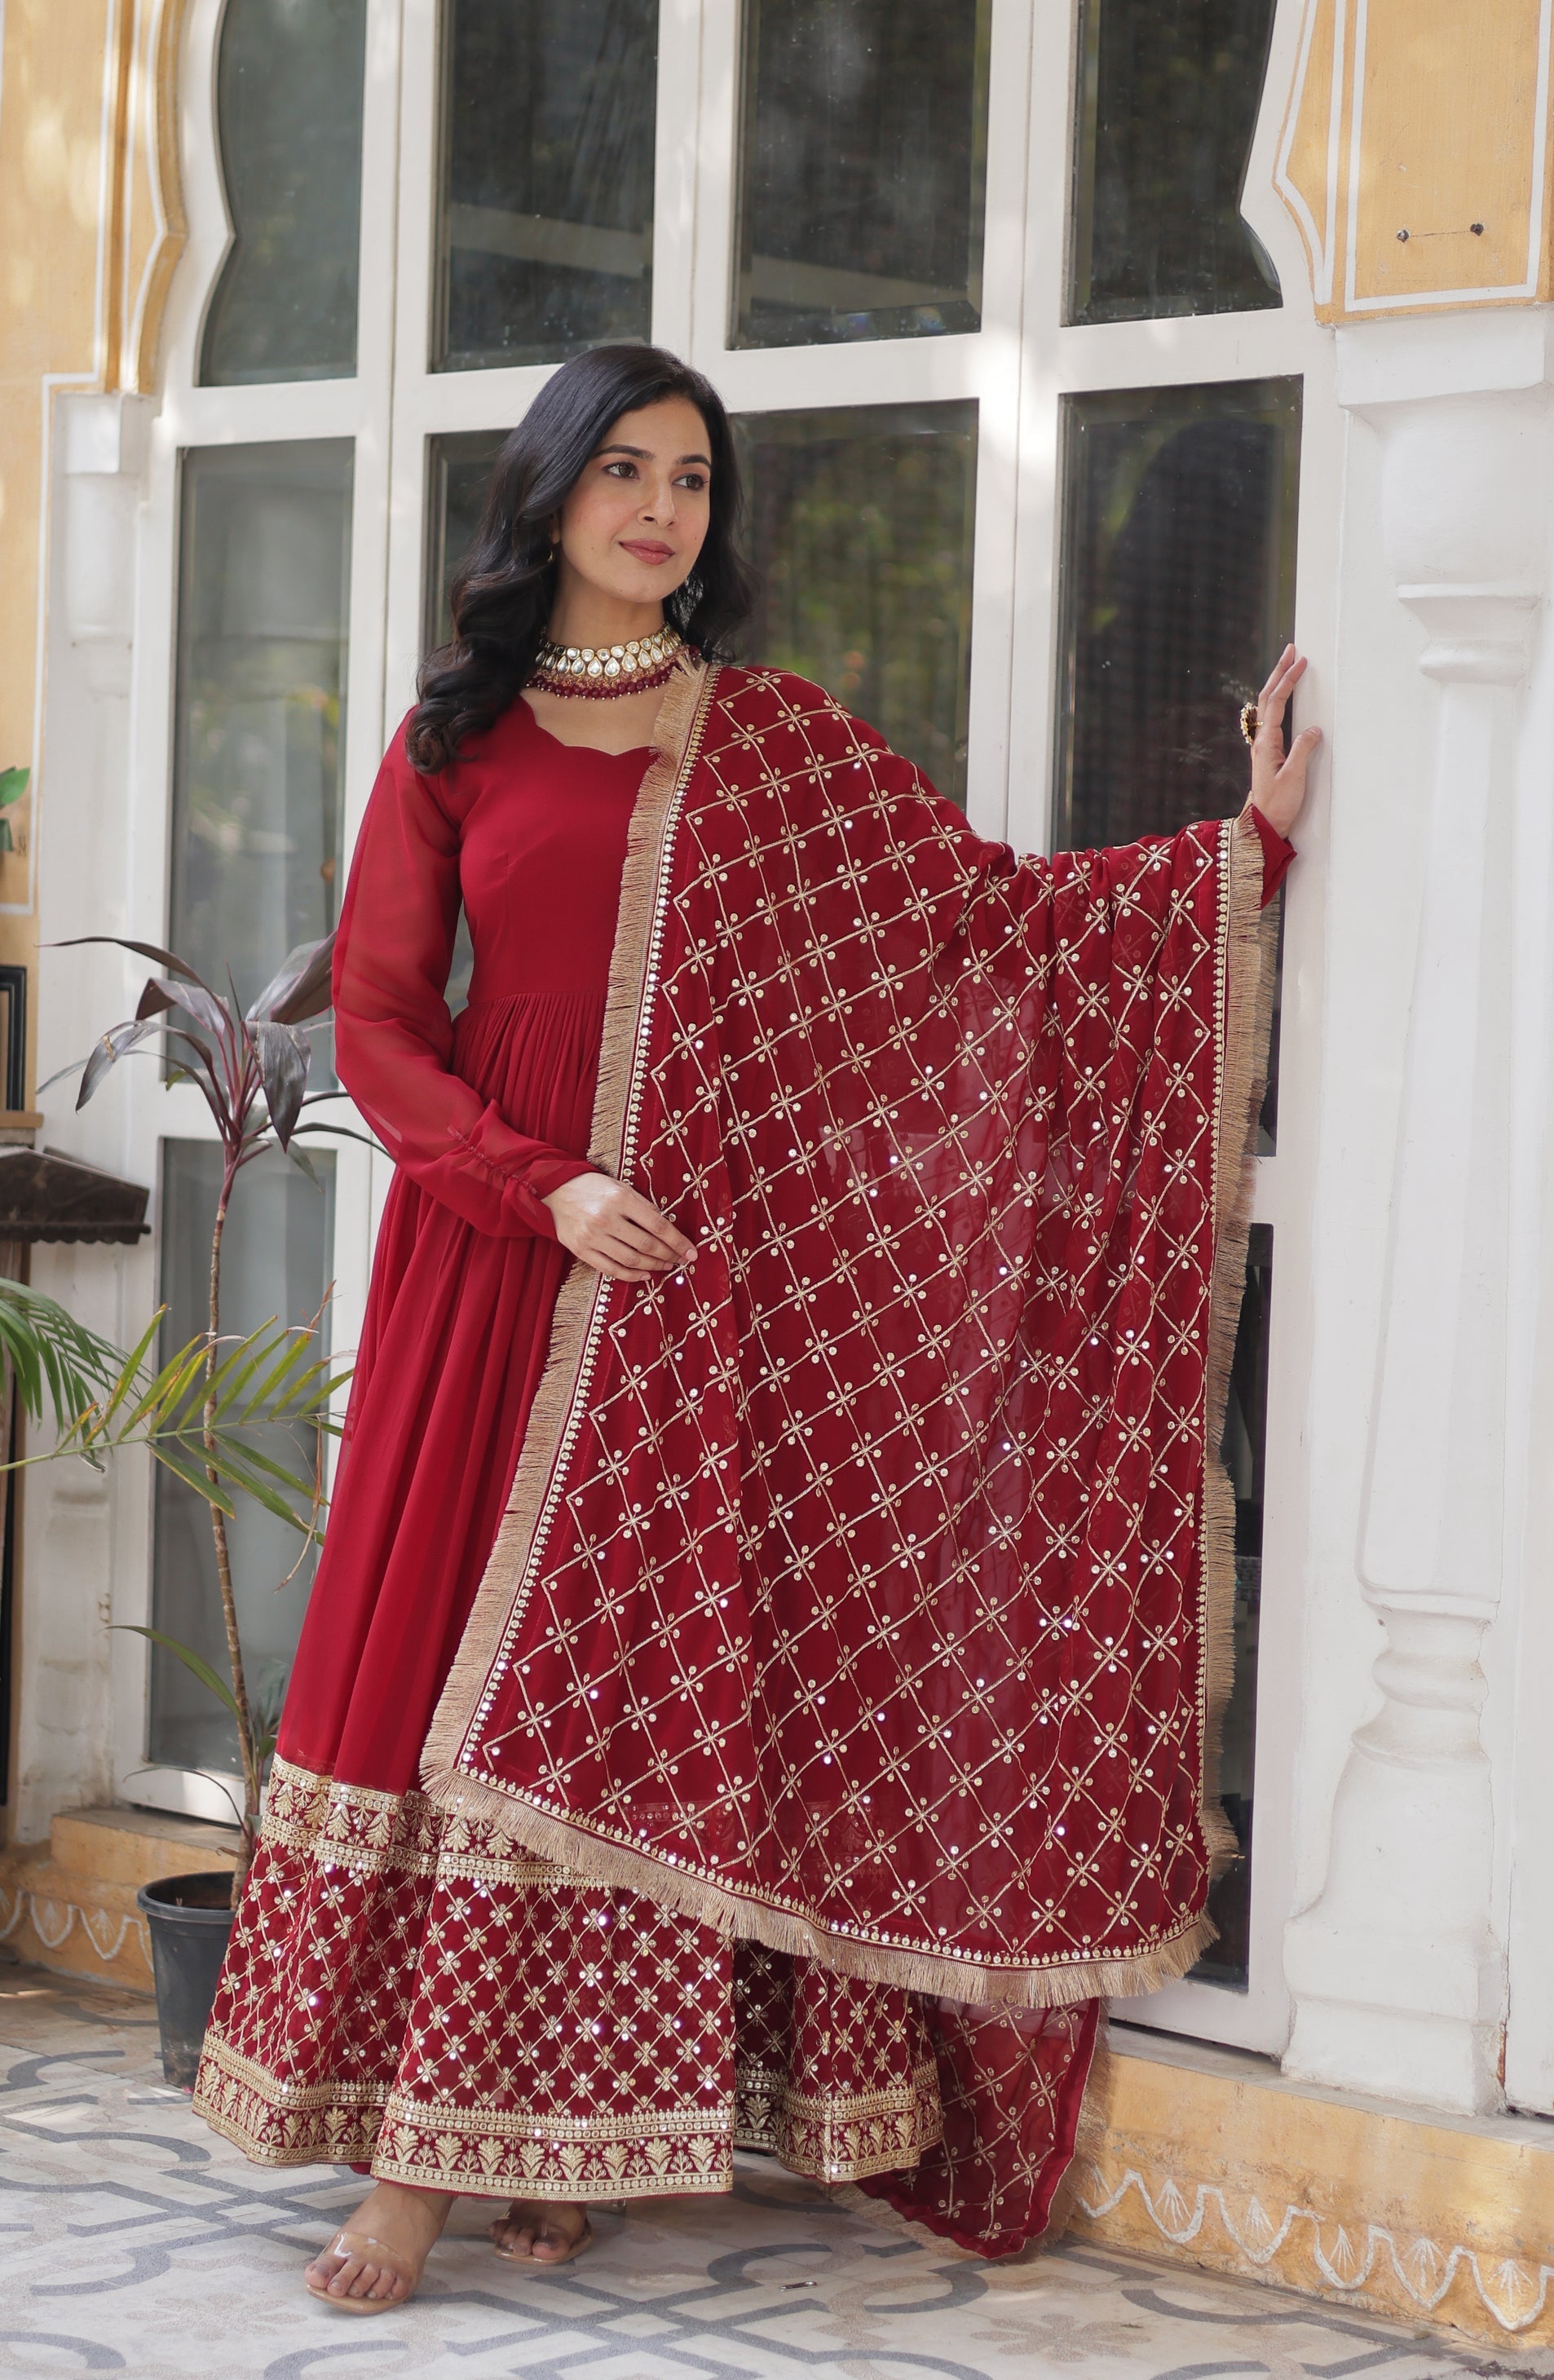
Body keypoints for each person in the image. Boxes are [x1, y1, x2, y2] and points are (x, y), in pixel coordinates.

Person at [192, 343, 1319, 2312]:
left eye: (692, 478)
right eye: (623, 469)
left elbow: (978, 930)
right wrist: (536, 1180)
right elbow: (375, 1019)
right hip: (505, 1263)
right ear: (549, 492)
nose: (659, 509)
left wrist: (1240, 855)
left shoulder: (772, 739)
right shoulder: (455, 738)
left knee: (621, 1694)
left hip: (690, 1297)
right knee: (448, 1674)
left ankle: (552, 2130)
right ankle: (410, 2163)